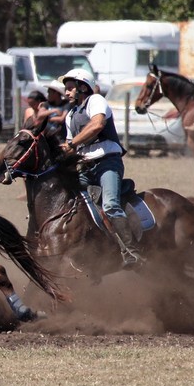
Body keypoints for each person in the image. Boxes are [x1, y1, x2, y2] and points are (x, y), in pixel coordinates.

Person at [58, 68, 139, 266]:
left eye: (70, 88)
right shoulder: (70, 115)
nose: (66, 92)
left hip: (107, 163)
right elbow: (70, 147)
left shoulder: (95, 101)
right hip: (85, 169)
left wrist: (71, 144)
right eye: (66, 89)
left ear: (82, 87)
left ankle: (132, 251)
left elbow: (97, 125)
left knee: (110, 205)